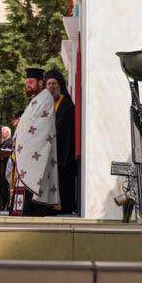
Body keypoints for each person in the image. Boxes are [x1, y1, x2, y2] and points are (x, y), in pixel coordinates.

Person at [11, 67, 59, 216]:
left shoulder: (45, 98)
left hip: (36, 151)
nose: (28, 85)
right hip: (27, 149)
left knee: (34, 190)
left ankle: (30, 213)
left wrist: (20, 140)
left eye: (31, 82)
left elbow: (40, 128)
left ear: (40, 83)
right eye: (26, 83)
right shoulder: (35, 100)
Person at [47, 70, 78, 215]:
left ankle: (64, 208)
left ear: (59, 85)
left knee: (63, 182)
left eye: (54, 83)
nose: (51, 87)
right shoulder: (45, 104)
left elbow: (60, 126)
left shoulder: (65, 103)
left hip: (62, 152)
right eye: (48, 84)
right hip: (48, 151)